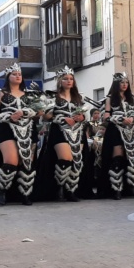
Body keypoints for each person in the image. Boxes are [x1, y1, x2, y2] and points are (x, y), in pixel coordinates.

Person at [0, 64, 38, 205]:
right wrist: (9, 116)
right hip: (6, 128)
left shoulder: (30, 94)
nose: (18, 76)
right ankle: (2, 190)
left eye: (19, 74)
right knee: (11, 161)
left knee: (26, 161)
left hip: (28, 129)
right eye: (14, 74)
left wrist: (26, 112)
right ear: (8, 77)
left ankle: (25, 194)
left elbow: (38, 112)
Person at [34, 66, 87, 202]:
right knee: (65, 159)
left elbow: (85, 114)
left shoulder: (79, 96)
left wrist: (82, 117)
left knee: (76, 161)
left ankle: (71, 190)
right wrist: (62, 118)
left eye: (71, 79)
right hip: (59, 130)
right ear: (60, 81)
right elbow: (46, 116)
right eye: (65, 79)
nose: (69, 81)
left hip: (77, 131)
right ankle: (60, 187)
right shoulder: (53, 96)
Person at [98, 73, 134, 200]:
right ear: (117, 84)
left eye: (126, 82)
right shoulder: (110, 98)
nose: (124, 85)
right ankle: (116, 188)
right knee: (117, 158)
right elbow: (106, 117)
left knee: (133, 158)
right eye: (122, 82)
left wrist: (133, 118)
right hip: (116, 130)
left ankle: (131, 186)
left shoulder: (132, 99)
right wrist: (120, 119)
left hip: (131, 131)